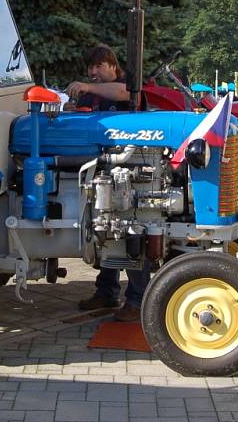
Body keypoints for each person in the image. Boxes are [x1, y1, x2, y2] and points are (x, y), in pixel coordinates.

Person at [66, 44, 150, 321]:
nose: (93, 73)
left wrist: (88, 88)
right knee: (106, 231)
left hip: (131, 171)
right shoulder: (100, 94)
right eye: (90, 68)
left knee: (129, 233)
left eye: (98, 67)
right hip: (105, 169)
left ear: (112, 65)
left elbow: (123, 93)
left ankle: (138, 301)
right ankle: (106, 291)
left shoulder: (127, 87)